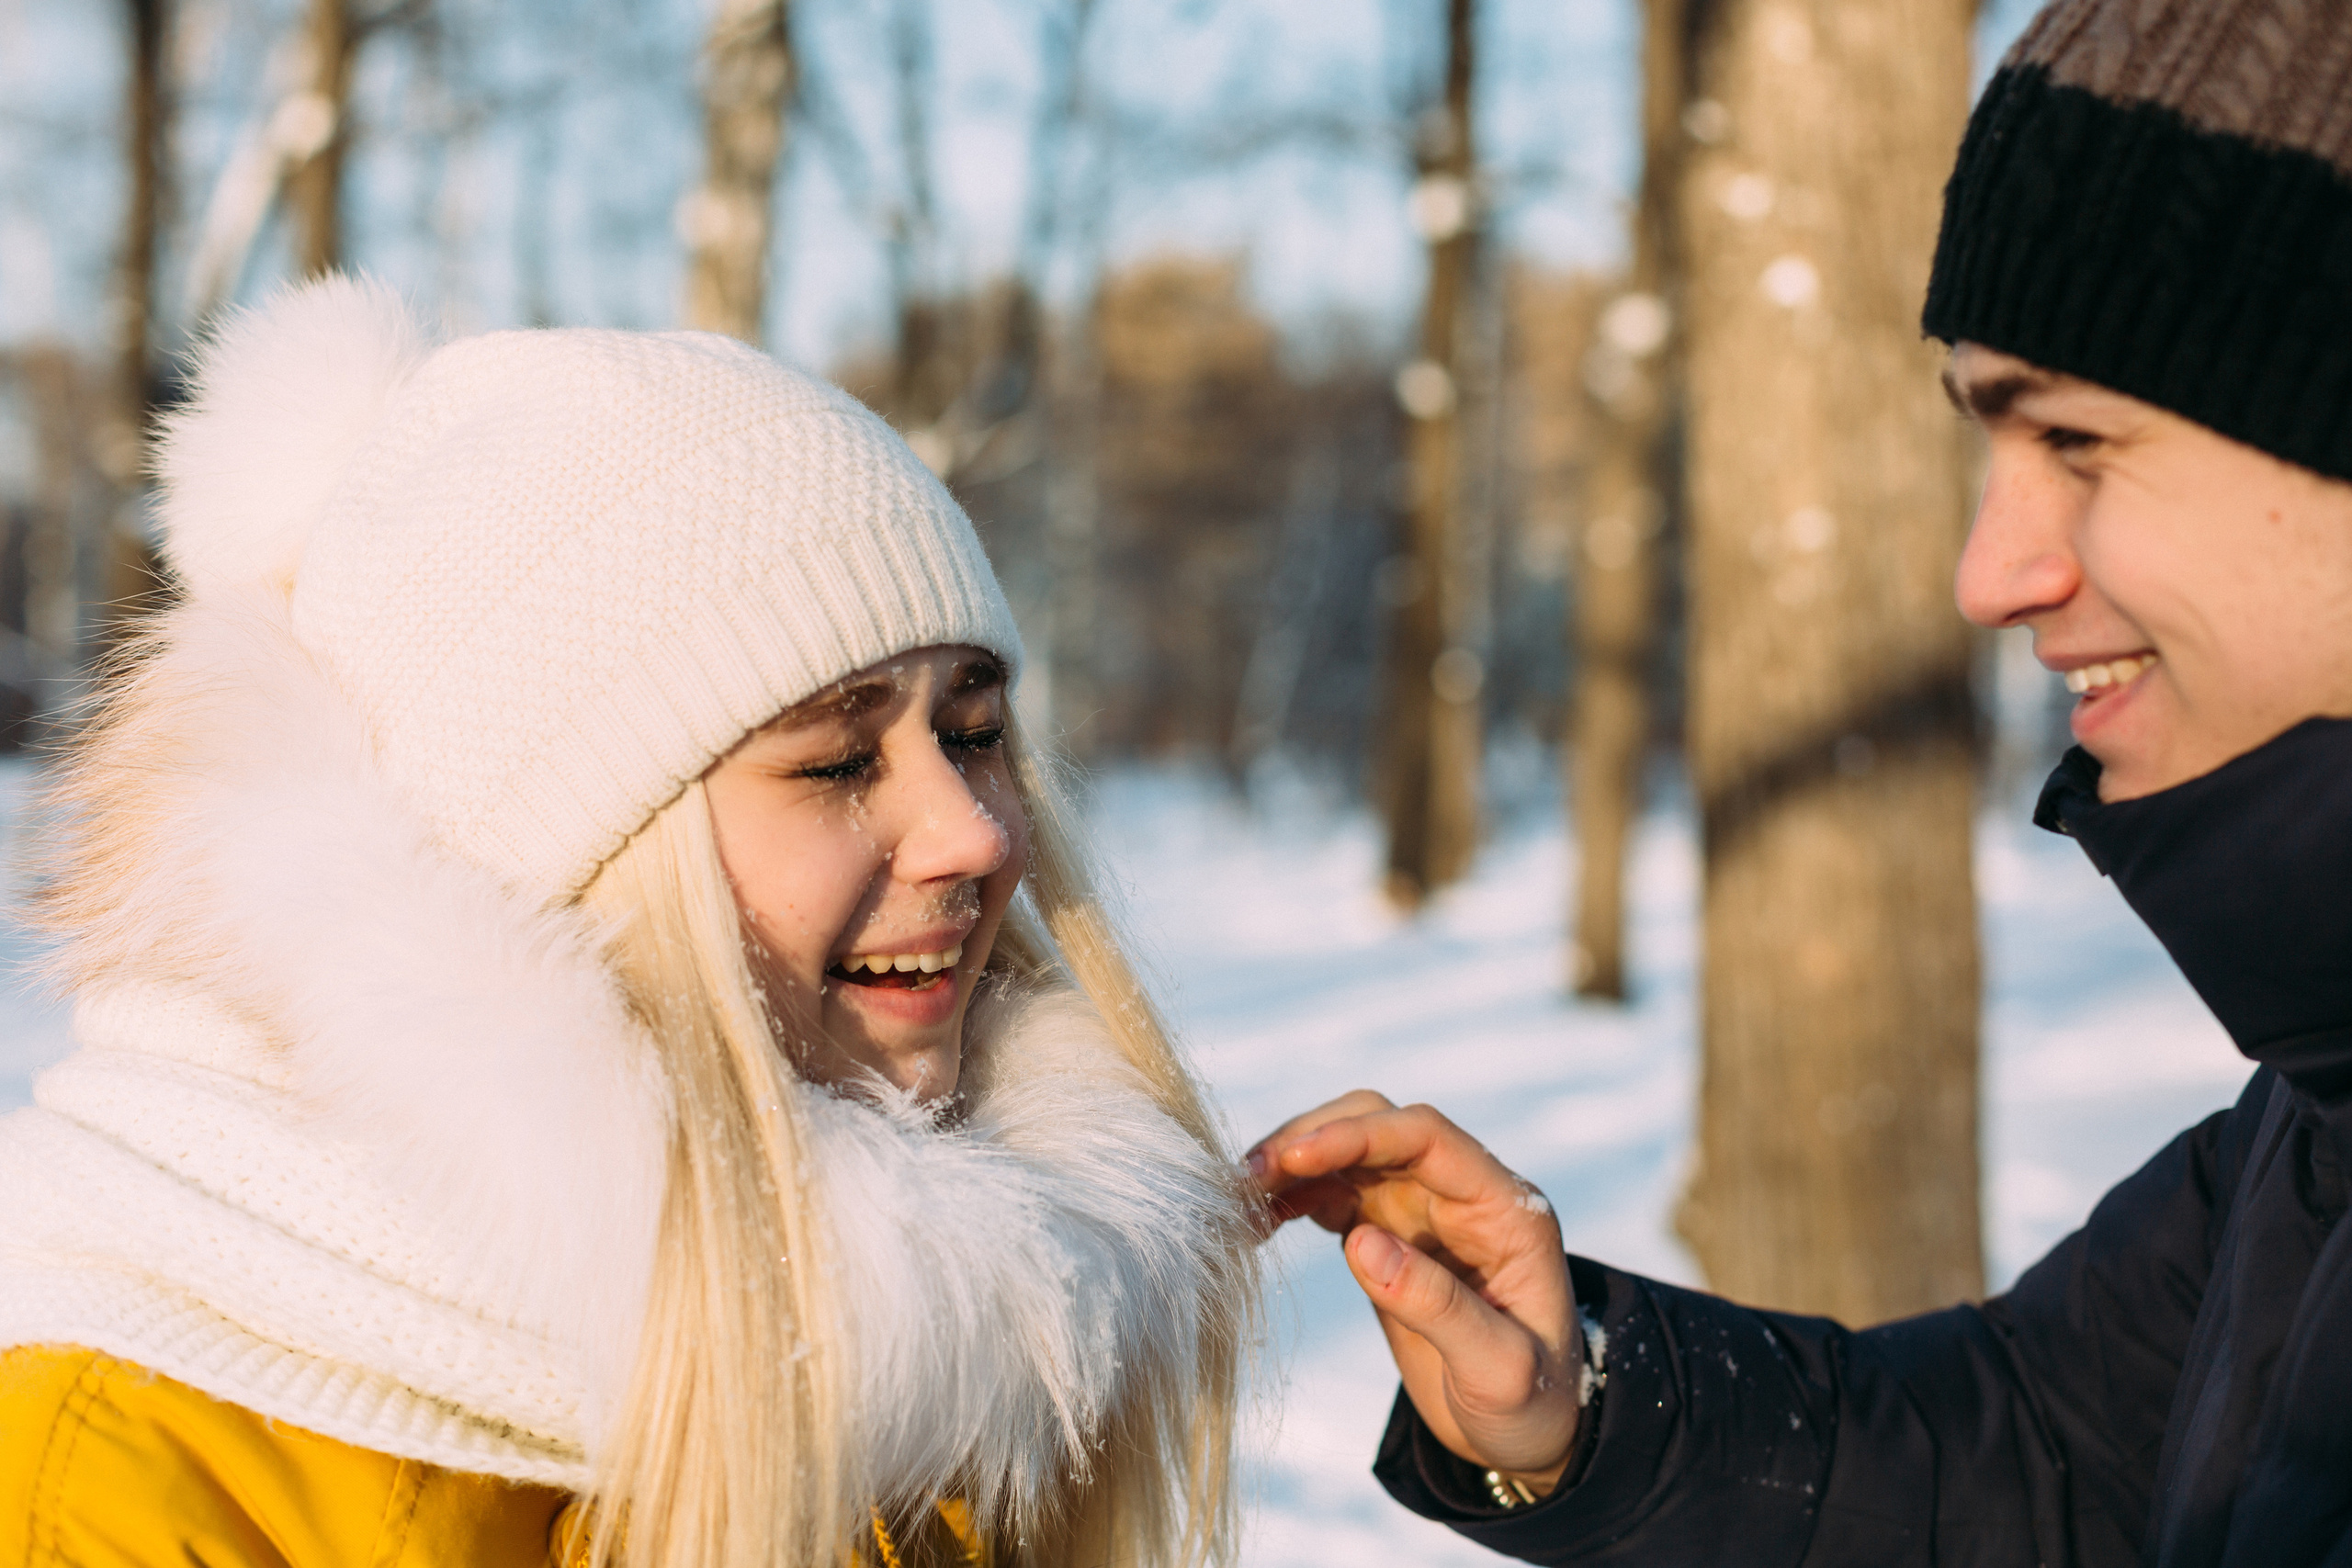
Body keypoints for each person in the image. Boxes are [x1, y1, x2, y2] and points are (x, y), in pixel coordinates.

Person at [1250, 0, 2352, 1563]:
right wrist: (1586, 1416)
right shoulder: (2314, 1132)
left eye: (2083, 442)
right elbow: (2046, 1454)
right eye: (1988, 444)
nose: (1989, 573)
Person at [0, 277, 1258, 1568]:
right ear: (555, 857)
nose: (979, 833)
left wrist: (1480, 1474)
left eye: (973, 732)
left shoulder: (924, 1373)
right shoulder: (110, 1494)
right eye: (837, 761)